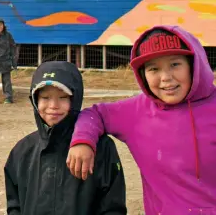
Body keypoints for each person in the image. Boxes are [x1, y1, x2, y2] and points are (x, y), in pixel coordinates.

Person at [67, 25, 216, 214]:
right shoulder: (136, 112)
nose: (166, 78)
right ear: (143, 74)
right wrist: (83, 142)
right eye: (154, 69)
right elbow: (95, 114)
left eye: (175, 64)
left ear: (193, 65)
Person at [5, 61, 126, 214]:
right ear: (35, 100)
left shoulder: (102, 147)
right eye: (45, 97)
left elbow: (113, 207)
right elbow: (14, 205)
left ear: (75, 99)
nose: (53, 105)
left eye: (63, 97)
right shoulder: (22, 151)